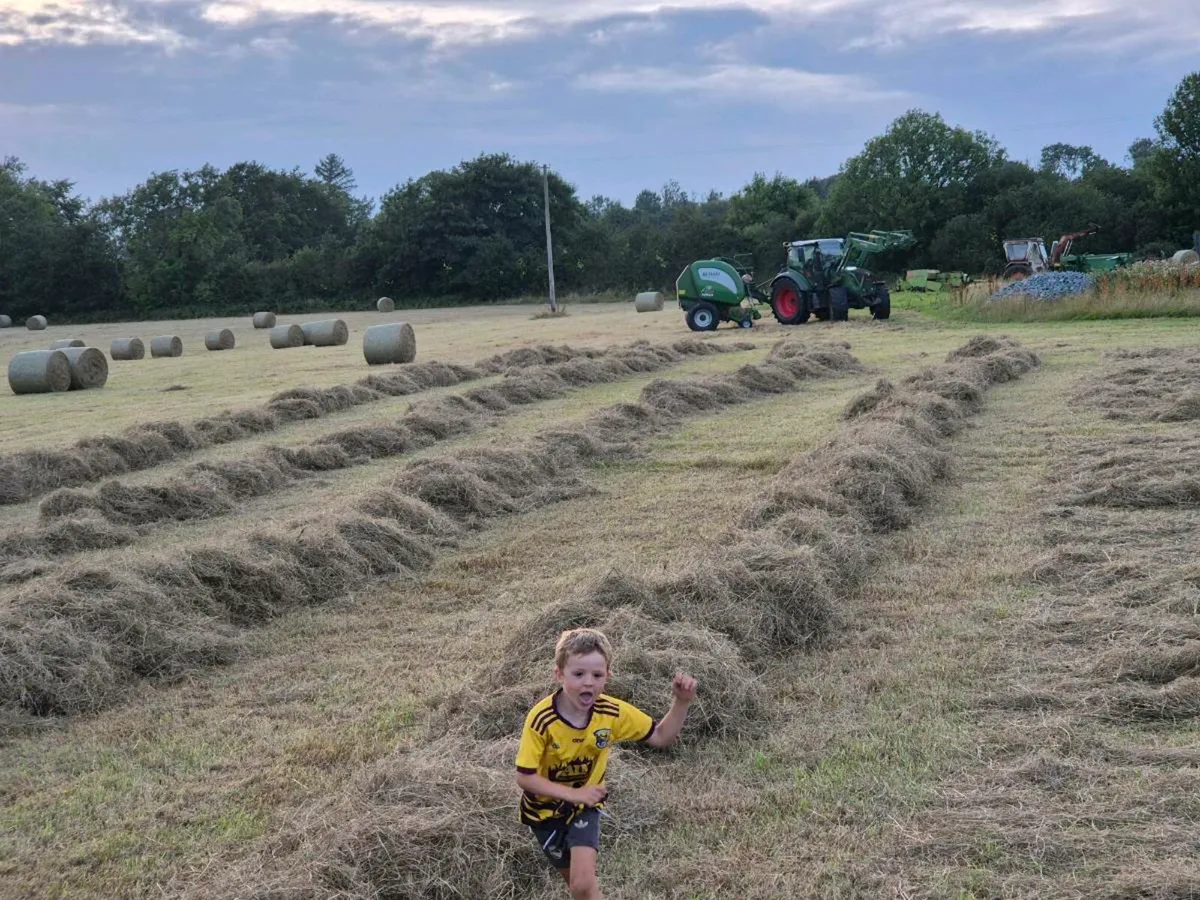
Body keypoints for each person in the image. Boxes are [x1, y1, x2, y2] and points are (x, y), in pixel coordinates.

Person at [515, 627, 698, 900]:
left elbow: (661, 736)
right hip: (542, 815)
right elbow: (525, 777)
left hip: (585, 807)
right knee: (581, 890)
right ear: (559, 674)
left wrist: (681, 702)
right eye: (579, 674)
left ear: (607, 676)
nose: (588, 682)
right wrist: (572, 793)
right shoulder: (541, 719)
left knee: (581, 885)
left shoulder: (611, 712)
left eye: (597, 675)